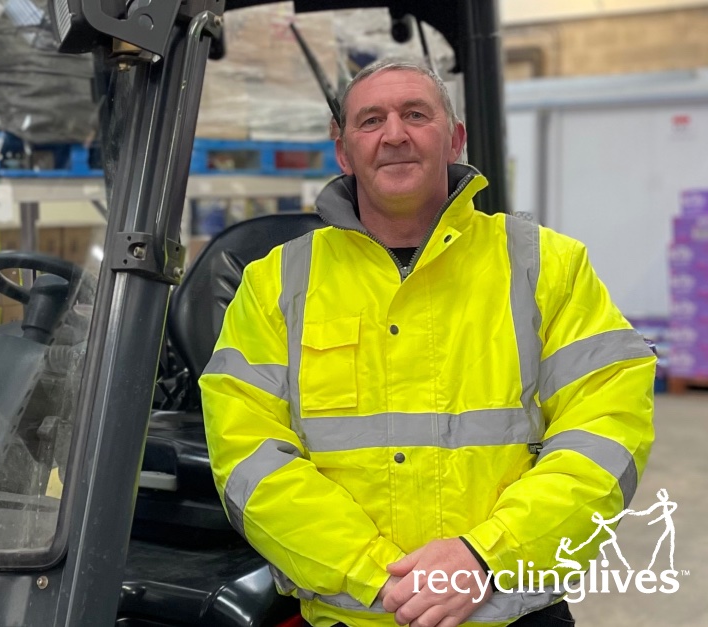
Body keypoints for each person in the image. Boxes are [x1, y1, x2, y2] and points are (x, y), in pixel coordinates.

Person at [200, 58, 656, 627]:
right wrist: (378, 576)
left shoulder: (548, 267)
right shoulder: (275, 284)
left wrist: (487, 555)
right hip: (354, 616)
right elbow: (247, 457)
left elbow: (607, 434)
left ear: (454, 138)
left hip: (510, 613)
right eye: (370, 121)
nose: (394, 134)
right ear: (344, 151)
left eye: (415, 114)